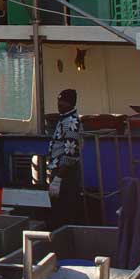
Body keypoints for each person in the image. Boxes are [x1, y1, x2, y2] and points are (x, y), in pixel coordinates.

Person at [47, 88, 83, 230]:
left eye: (62, 103)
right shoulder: (64, 119)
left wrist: (59, 178)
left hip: (66, 174)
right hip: (58, 170)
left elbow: (70, 153)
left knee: (65, 211)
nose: (59, 105)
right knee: (57, 210)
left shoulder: (72, 122)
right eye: (58, 102)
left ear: (70, 103)